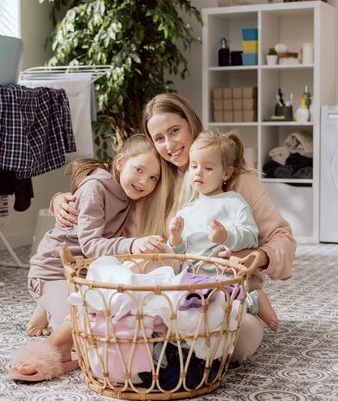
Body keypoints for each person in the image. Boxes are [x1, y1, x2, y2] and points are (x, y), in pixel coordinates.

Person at [51, 93, 296, 362]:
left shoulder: (236, 181)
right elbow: (107, 188)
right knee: (123, 302)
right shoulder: (151, 180)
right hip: (165, 291)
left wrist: (257, 257)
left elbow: (282, 238)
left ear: (191, 123)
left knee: (236, 343)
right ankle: (146, 341)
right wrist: (61, 199)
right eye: (159, 138)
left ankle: (158, 342)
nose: (169, 144)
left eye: (175, 131)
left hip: (225, 292)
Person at [11, 134, 170, 381]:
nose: (143, 181)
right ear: (119, 163)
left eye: (152, 178)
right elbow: (91, 244)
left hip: (79, 272)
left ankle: (47, 306)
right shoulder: (96, 188)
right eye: (138, 170)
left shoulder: (128, 195)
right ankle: (54, 340)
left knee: (104, 312)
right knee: (85, 325)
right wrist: (135, 244)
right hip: (52, 269)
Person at [167, 130, 278, 332]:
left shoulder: (233, 202)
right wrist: (174, 239)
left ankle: (254, 300)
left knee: (226, 301)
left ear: (225, 173)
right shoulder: (187, 210)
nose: (198, 172)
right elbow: (179, 254)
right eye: (194, 167)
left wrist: (226, 236)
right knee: (178, 300)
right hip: (192, 276)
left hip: (222, 275)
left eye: (208, 168)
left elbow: (251, 236)